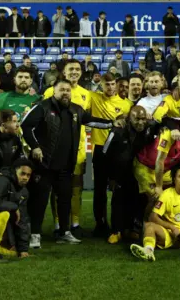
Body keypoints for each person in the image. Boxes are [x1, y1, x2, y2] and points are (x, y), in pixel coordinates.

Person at [22, 79, 115, 247]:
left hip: (65, 166)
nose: (65, 93)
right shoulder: (43, 107)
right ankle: (34, 234)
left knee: (65, 200)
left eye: (68, 90)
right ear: (54, 91)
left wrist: (112, 123)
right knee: (39, 201)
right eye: (61, 90)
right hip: (44, 165)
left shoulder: (76, 110)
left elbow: (92, 121)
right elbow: (25, 126)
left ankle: (64, 232)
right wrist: (35, 147)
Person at [43, 60, 91, 234]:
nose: (74, 72)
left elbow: (87, 119)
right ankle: (57, 223)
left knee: (76, 184)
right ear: (64, 71)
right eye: (71, 69)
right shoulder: (50, 91)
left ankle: (75, 223)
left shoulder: (87, 94)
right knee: (57, 186)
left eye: (78, 69)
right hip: (57, 148)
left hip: (78, 148)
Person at [103, 106, 161, 244]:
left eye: (143, 119)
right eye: (137, 119)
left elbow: (164, 124)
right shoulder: (118, 130)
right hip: (120, 172)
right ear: (129, 118)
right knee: (118, 200)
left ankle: (133, 229)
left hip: (140, 173)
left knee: (138, 200)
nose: (140, 122)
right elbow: (105, 153)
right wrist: (110, 177)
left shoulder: (150, 127)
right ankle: (116, 231)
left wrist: (162, 127)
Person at [88, 72, 132, 237]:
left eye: (113, 84)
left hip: (117, 151)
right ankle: (100, 224)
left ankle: (117, 226)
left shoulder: (125, 104)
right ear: (102, 85)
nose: (110, 87)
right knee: (99, 190)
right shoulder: (94, 97)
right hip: (100, 149)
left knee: (117, 189)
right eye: (107, 84)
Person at [134, 105, 180, 202]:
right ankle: (146, 217)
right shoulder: (169, 133)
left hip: (164, 170)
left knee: (175, 194)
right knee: (156, 197)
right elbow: (159, 161)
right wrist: (159, 186)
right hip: (145, 166)